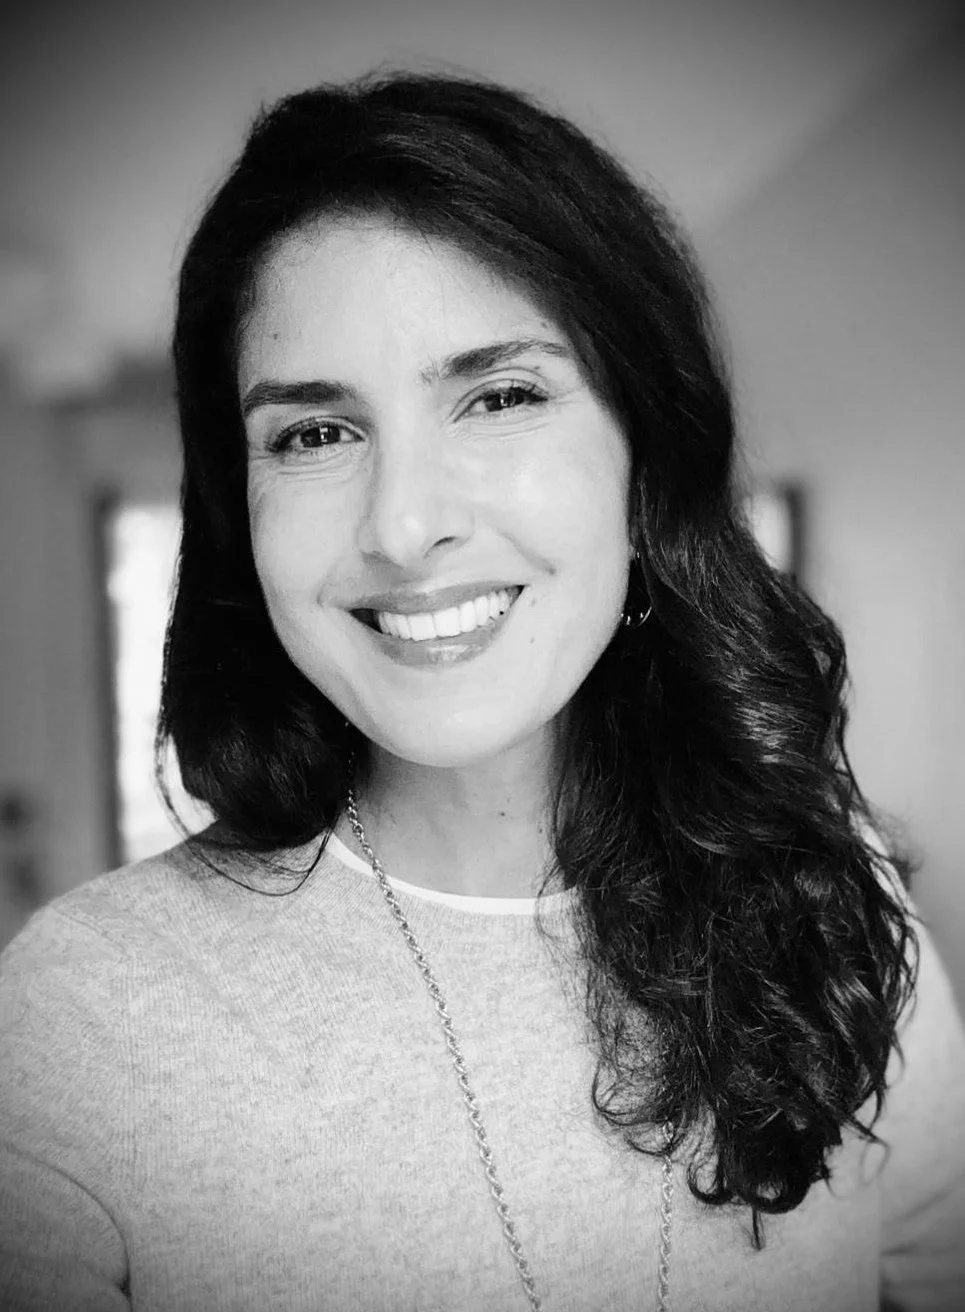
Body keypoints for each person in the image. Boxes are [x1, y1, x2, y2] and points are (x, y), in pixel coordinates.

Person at [1, 70, 964, 1312]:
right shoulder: (79, 1017)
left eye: (499, 395)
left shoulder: (835, 906)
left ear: (643, 457)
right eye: (313, 433)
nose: (402, 526)